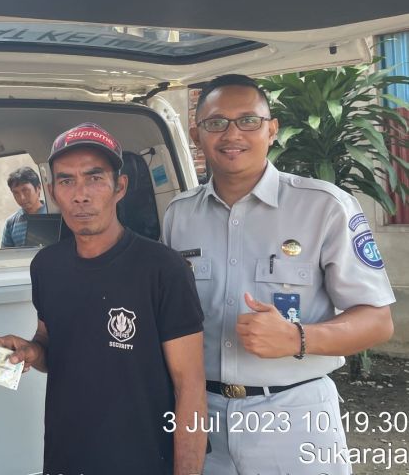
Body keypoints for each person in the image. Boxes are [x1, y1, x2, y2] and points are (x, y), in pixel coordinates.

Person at [162, 74, 395, 475]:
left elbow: (378, 321)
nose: (232, 134)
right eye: (216, 122)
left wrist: (297, 337)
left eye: (248, 120)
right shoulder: (178, 215)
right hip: (202, 414)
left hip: (294, 412)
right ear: (197, 135)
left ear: (272, 130)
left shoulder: (324, 207)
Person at [0, 123, 207, 475]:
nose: (80, 195)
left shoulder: (163, 268)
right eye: (66, 181)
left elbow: (191, 387)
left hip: (143, 460)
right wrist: (32, 351)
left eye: (94, 178)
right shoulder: (46, 266)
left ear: (119, 187)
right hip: (66, 455)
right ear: (52, 191)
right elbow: (51, 345)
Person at [1, 166, 47, 247]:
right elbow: (6, 253)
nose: (22, 198)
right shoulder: (11, 223)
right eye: (16, 193)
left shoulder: (54, 214)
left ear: (38, 188)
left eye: (25, 190)